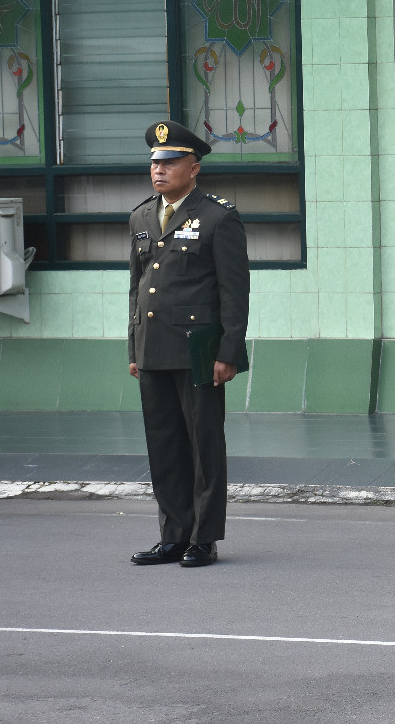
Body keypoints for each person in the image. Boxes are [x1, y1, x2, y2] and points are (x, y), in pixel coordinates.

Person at [127, 120, 249, 569]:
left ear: (193, 167)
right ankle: (173, 534)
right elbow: (137, 288)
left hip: (199, 349)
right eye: (155, 162)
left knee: (203, 444)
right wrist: (133, 349)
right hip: (153, 348)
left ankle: (204, 537)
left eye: (170, 162)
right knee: (164, 445)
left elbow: (234, 292)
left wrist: (228, 353)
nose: (159, 170)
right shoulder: (141, 216)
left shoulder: (218, 216)